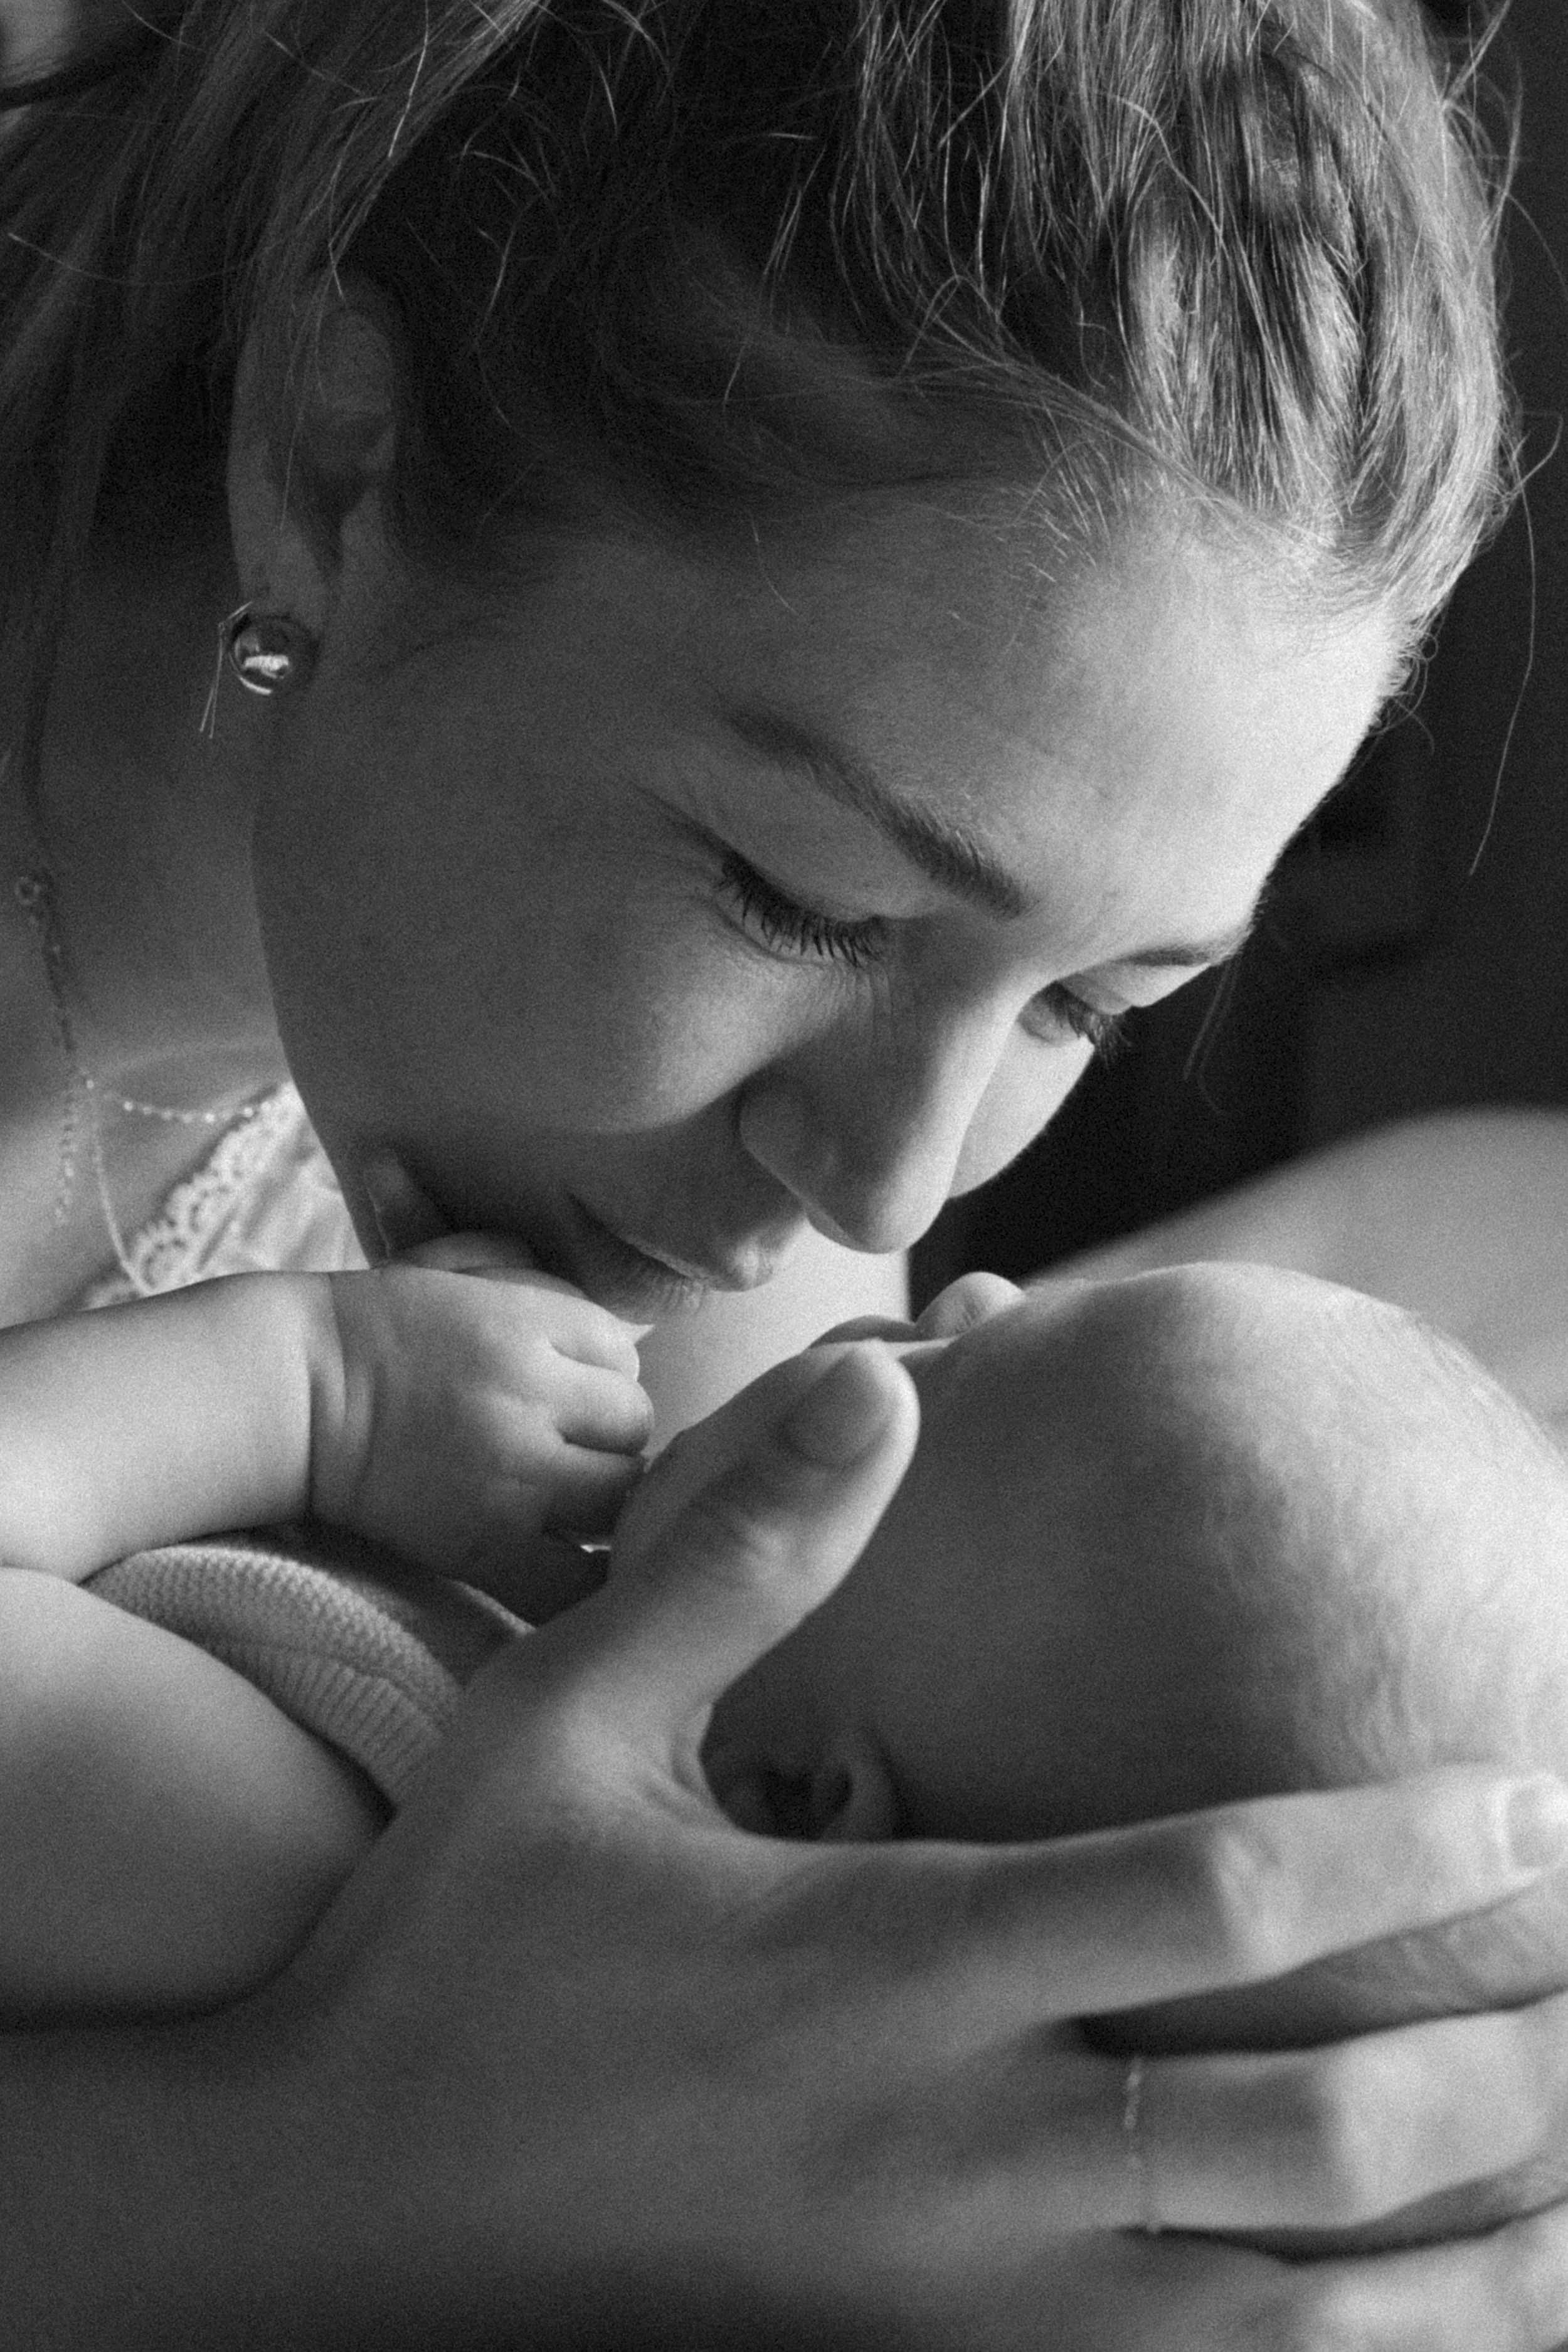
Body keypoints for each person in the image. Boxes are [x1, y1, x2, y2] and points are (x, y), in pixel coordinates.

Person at [6, 0, 1568, 2340]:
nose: (882, 1204)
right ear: (332, 469)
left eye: (1092, 1005)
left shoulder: (733, 1364)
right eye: (806, 904)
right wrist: (337, 2170)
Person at [11, 1253, 1568, 2270]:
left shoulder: (305, 1818)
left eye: (953, 1373)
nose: (958, 1282)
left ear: (791, 1791)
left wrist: (308, 1382)